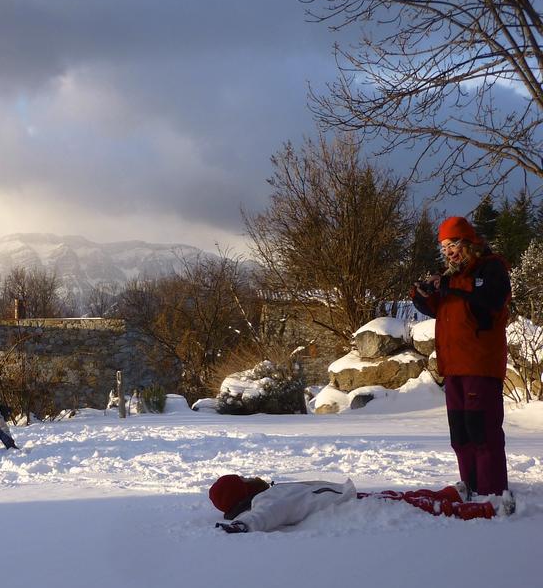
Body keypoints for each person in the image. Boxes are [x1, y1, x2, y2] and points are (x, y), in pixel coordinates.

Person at [412, 216, 513, 504]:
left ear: (467, 242)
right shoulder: (452, 277)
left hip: (480, 363)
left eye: (452, 244)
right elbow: (440, 309)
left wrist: (450, 285)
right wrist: (423, 294)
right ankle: (470, 485)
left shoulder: (491, 268)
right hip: (454, 364)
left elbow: (490, 299)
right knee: (461, 432)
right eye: (443, 246)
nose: (448, 252)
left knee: (482, 429)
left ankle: (491, 492)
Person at [209, 474, 506, 534]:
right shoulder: (265, 500)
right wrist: (243, 525)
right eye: (245, 479)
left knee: (405, 498)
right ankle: (488, 510)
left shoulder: (266, 494)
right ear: (244, 491)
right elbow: (267, 515)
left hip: (347, 499)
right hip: (346, 507)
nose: (253, 477)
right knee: (419, 507)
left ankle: (451, 494)